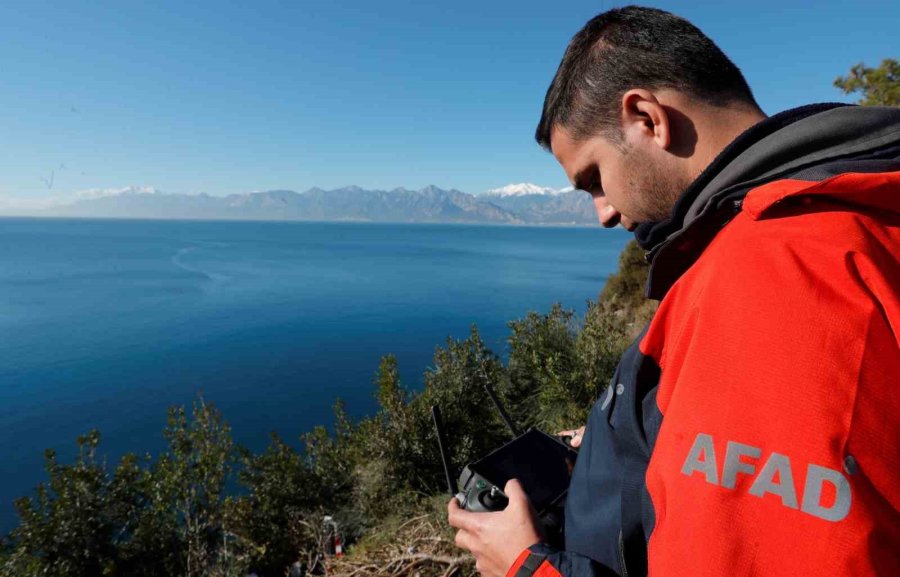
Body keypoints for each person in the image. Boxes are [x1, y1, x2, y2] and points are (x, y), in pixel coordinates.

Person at [448, 6, 900, 577]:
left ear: (647, 118)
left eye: (593, 178)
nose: (604, 213)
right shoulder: (850, 221)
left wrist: (524, 566)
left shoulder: (780, 275)